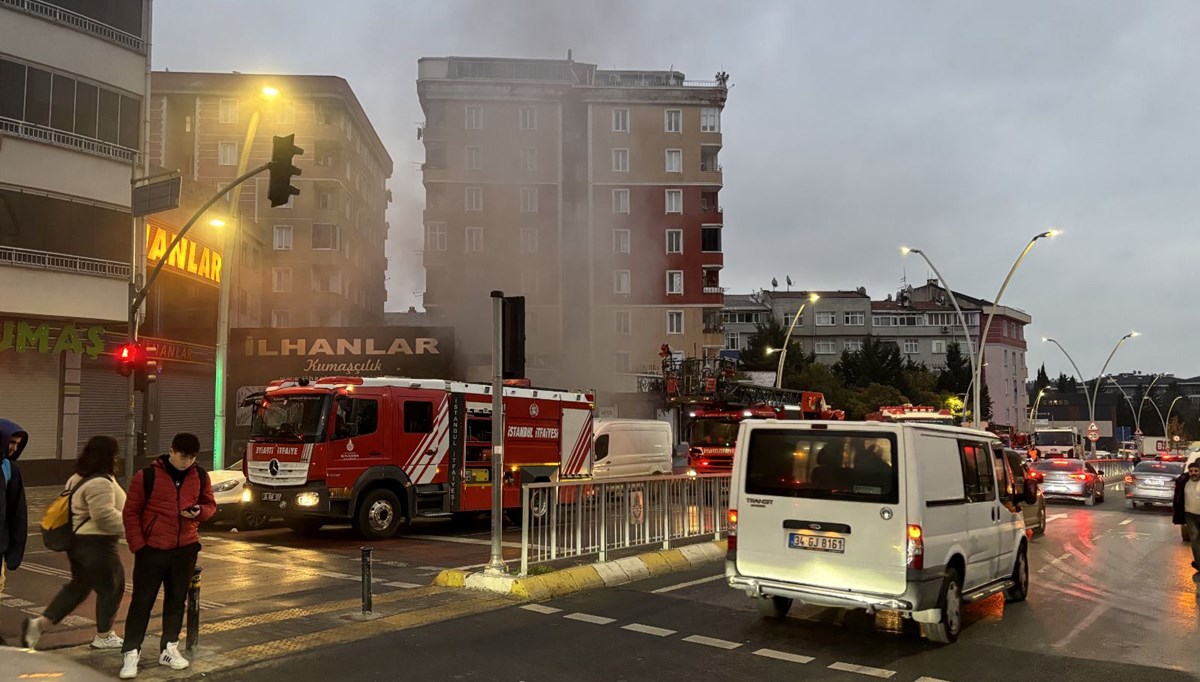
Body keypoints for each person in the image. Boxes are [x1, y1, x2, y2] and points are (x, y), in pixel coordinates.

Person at [119, 433, 215, 679]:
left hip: (185, 549)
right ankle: (131, 652)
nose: (188, 462)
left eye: (192, 457)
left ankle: (169, 647)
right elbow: (131, 513)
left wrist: (199, 512)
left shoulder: (200, 475)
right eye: (184, 457)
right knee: (142, 602)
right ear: (172, 451)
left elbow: (210, 505)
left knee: (176, 600)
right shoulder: (147, 476)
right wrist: (139, 546)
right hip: (152, 550)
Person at [22, 436, 127, 650]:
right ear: (109, 455)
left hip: (80, 544)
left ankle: (39, 624)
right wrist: (133, 525)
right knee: (112, 588)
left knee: (79, 588)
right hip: (98, 544)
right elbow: (104, 516)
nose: (118, 458)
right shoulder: (100, 482)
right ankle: (104, 635)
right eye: (115, 454)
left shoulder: (77, 477)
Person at [1, 420, 29, 637]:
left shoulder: (10, 469)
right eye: (11, 442)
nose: (14, 448)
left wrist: (14, 547)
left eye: (17, 444)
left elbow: (17, 512)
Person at [1172, 459, 1200, 577]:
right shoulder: (1184, 482)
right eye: (1191, 471)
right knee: (1194, 538)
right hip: (1189, 514)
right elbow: (1177, 497)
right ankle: (1198, 563)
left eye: (1196, 471)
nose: (1193, 473)